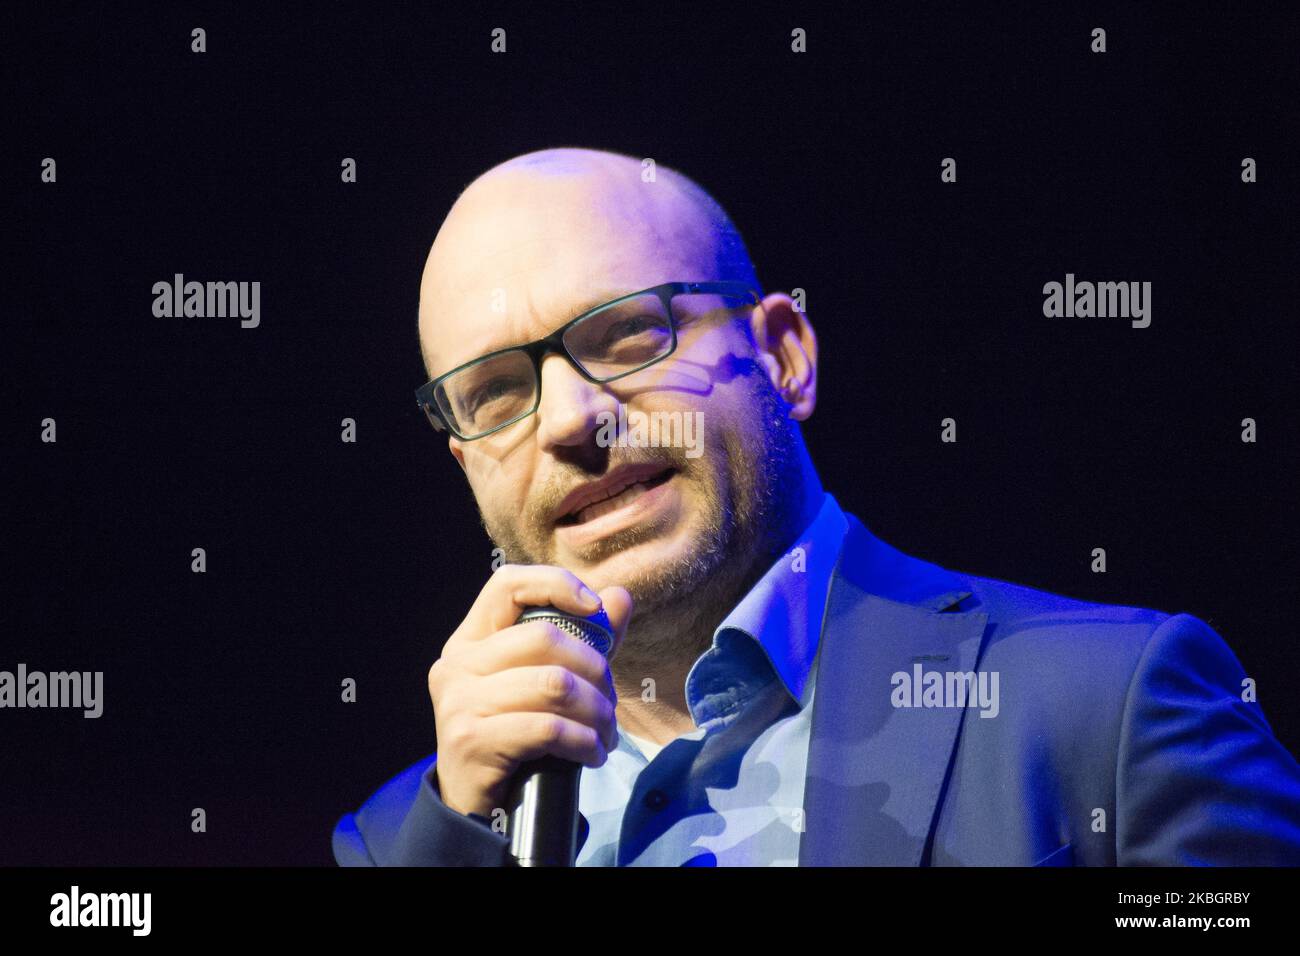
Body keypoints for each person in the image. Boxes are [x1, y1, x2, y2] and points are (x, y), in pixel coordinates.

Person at [332, 147, 1300, 866]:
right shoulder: (396, 842)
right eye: (497, 391)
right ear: (464, 460)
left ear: (784, 356)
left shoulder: (1108, 712)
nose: (570, 419)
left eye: (628, 335)